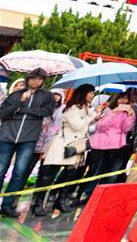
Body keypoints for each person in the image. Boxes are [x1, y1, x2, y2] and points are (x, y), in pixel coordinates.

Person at [33, 84, 99, 216]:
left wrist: (95, 114)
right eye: (90, 93)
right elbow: (77, 125)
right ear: (83, 94)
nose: (92, 96)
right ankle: (38, 203)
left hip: (76, 147)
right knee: (49, 176)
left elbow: (86, 125)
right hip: (63, 145)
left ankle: (60, 201)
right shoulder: (72, 108)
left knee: (69, 176)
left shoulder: (86, 108)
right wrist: (92, 116)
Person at [0, 68, 55, 218]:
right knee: (0, 170)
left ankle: (7, 204)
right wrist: (20, 102)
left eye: (40, 79)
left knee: (19, 172)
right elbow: (3, 113)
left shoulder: (47, 96)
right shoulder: (16, 94)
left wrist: (23, 110)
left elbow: (46, 112)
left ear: (43, 81)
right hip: (7, 136)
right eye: (33, 78)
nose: (36, 81)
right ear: (28, 78)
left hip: (29, 139)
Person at [76, 92, 136, 204]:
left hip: (116, 145)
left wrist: (130, 116)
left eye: (126, 99)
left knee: (109, 172)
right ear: (116, 99)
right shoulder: (108, 110)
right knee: (95, 171)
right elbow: (100, 126)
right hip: (101, 145)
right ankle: (86, 194)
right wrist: (113, 113)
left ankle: (100, 196)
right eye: (121, 99)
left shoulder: (127, 113)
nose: (123, 101)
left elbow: (126, 129)